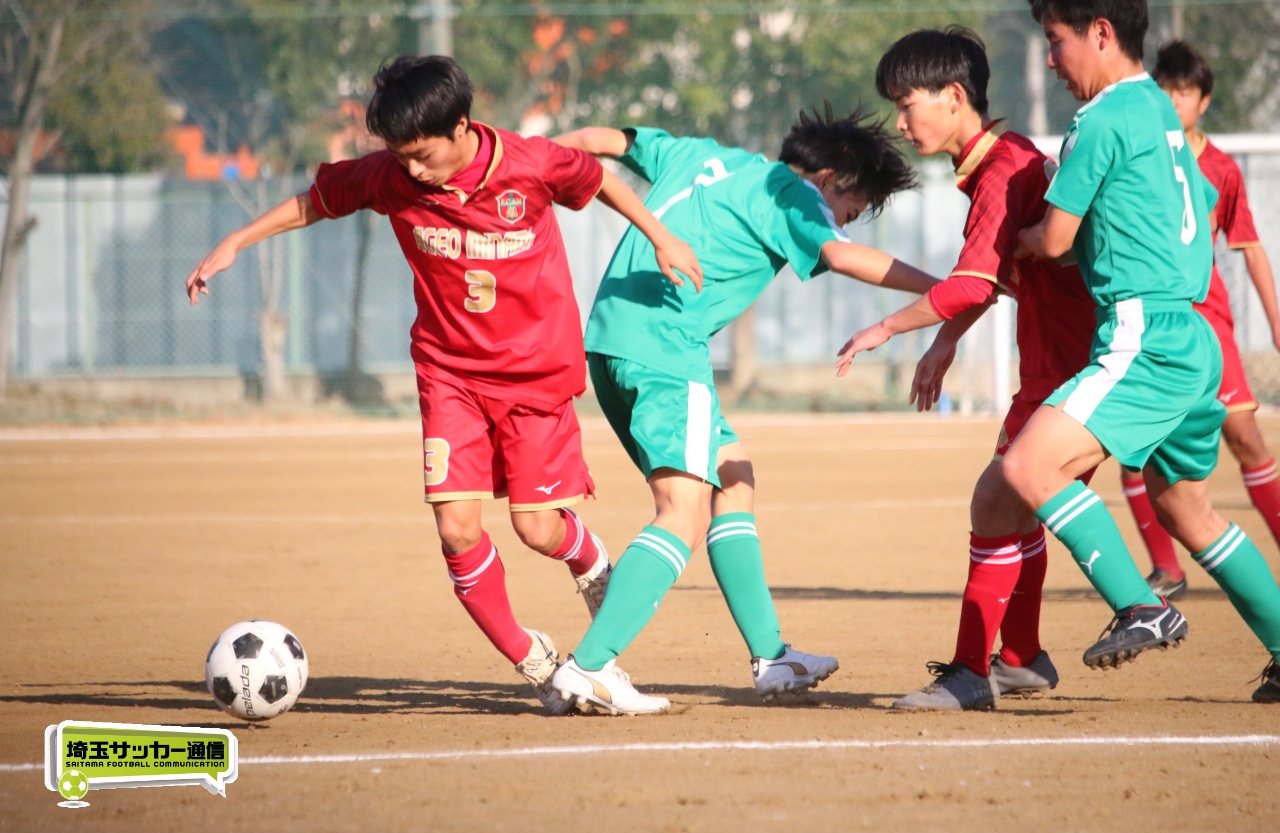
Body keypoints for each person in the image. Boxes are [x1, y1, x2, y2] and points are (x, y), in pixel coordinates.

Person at [183, 56, 704, 714]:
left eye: (422, 155)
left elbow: (600, 179)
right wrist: (236, 240)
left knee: (536, 529)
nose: (413, 171)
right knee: (457, 529)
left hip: (535, 374)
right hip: (449, 373)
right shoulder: (391, 174)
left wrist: (660, 237)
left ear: (462, 125)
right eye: (400, 156)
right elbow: (314, 201)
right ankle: (538, 662)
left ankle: (588, 559)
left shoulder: (530, 163)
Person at [546, 106, 937, 715]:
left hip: (609, 342)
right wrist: (946, 287)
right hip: (667, 352)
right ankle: (590, 666)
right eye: (849, 210)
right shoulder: (793, 192)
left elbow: (601, 139)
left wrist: (533, 164)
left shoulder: (702, 154)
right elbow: (841, 257)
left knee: (735, 478)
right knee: (680, 513)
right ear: (828, 178)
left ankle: (772, 656)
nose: (839, 223)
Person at [1004, 0, 1280, 701]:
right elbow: (1183, 204)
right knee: (1188, 511)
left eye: (1056, 41)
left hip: (1142, 336)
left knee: (1029, 465)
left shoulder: (1100, 119)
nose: (1051, 60)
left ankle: (1140, 606)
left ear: (1101, 33)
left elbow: (1056, 240)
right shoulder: (1159, 107)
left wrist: (1020, 239)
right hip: (1194, 333)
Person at [835, 26, 1098, 711]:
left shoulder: (1002, 169)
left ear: (953, 97)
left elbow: (970, 282)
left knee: (996, 500)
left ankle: (972, 672)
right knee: (1018, 505)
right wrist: (946, 341)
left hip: (1074, 367)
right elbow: (990, 276)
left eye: (906, 103)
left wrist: (885, 328)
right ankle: (1021, 657)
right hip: (1062, 359)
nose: (900, 122)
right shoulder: (1002, 161)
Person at [1117, 39, 1280, 602]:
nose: (1174, 102)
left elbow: (1251, 247)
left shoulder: (1220, 168)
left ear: (1203, 102)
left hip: (1207, 323)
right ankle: (1167, 570)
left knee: (1246, 439)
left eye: (1184, 93)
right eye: (1166, 91)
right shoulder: (1140, 154)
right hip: (1152, 323)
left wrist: (1275, 320)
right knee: (1135, 446)